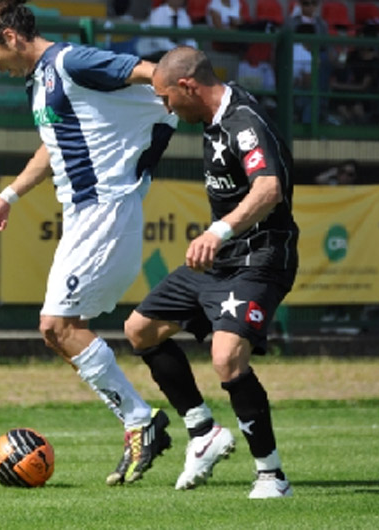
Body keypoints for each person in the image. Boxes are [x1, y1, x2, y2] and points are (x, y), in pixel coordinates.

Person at [0, 0, 178, 486]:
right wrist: (9, 196)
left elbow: (152, 72)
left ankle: (143, 421)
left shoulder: (70, 62)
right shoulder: (40, 81)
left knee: (57, 326)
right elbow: (53, 145)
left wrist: (196, 107)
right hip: (84, 215)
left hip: (106, 209)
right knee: (60, 329)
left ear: (10, 37)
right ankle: (174, 422)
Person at [124, 46, 299, 498]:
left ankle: (272, 476)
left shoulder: (244, 121)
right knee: (140, 329)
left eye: (166, 97)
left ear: (187, 86)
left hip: (260, 258)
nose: (166, 107)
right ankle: (203, 431)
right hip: (221, 261)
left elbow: (269, 188)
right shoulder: (213, 119)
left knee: (226, 357)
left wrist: (218, 231)